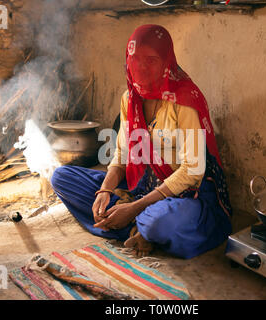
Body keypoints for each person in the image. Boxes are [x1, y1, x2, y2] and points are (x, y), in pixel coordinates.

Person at [50, 24, 233, 259]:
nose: (142, 68)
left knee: (164, 221)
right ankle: (137, 227)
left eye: (152, 60)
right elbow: (123, 155)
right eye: (136, 60)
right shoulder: (130, 99)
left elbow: (192, 172)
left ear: (167, 61)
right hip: (142, 187)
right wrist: (104, 191)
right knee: (62, 178)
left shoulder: (184, 99)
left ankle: (137, 224)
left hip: (185, 194)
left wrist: (135, 207)